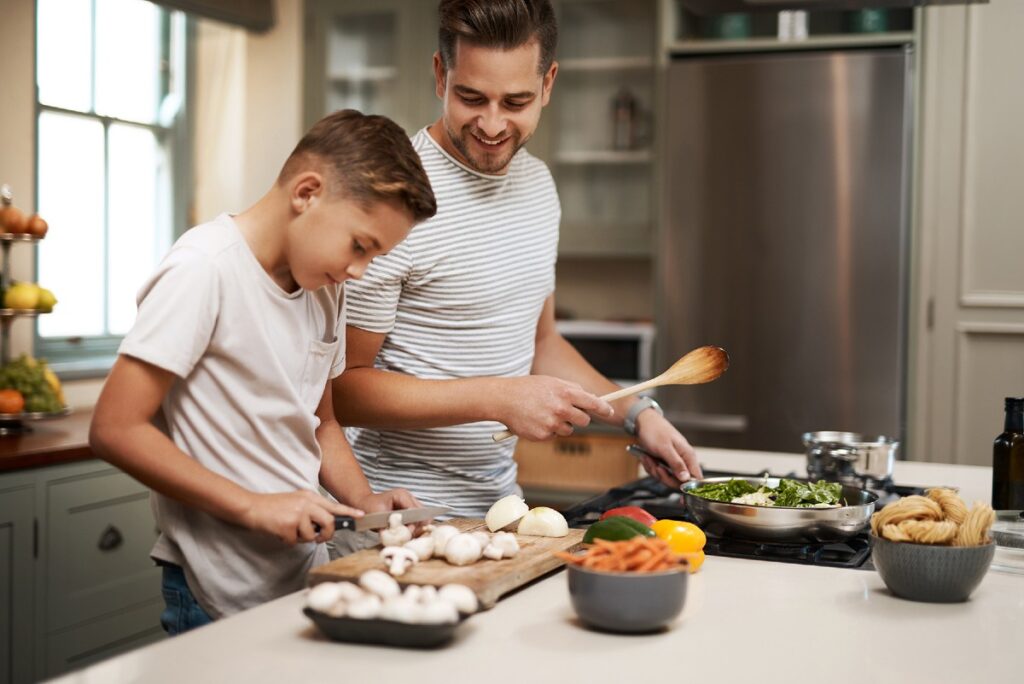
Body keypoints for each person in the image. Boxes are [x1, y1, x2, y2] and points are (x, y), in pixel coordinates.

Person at [331, 0, 701, 525]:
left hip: (501, 513)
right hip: (393, 516)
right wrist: (498, 397)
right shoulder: (392, 198)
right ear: (441, 75)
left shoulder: (538, 187)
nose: (491, 123)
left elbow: (542, 344)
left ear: (548, 84)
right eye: (471, 97)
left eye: (516, 100)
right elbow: (341, 390)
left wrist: (637, 414)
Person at [89, 110, 437, 633]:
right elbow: (115, 429)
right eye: (360, 245)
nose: (360, 269)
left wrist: (362, 501)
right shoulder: (203, 270)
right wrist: (253, 507)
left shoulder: (326, 285)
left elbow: (322, 424)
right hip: (212, 590)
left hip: (301, 578)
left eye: (376, 255)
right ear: (307, 192)